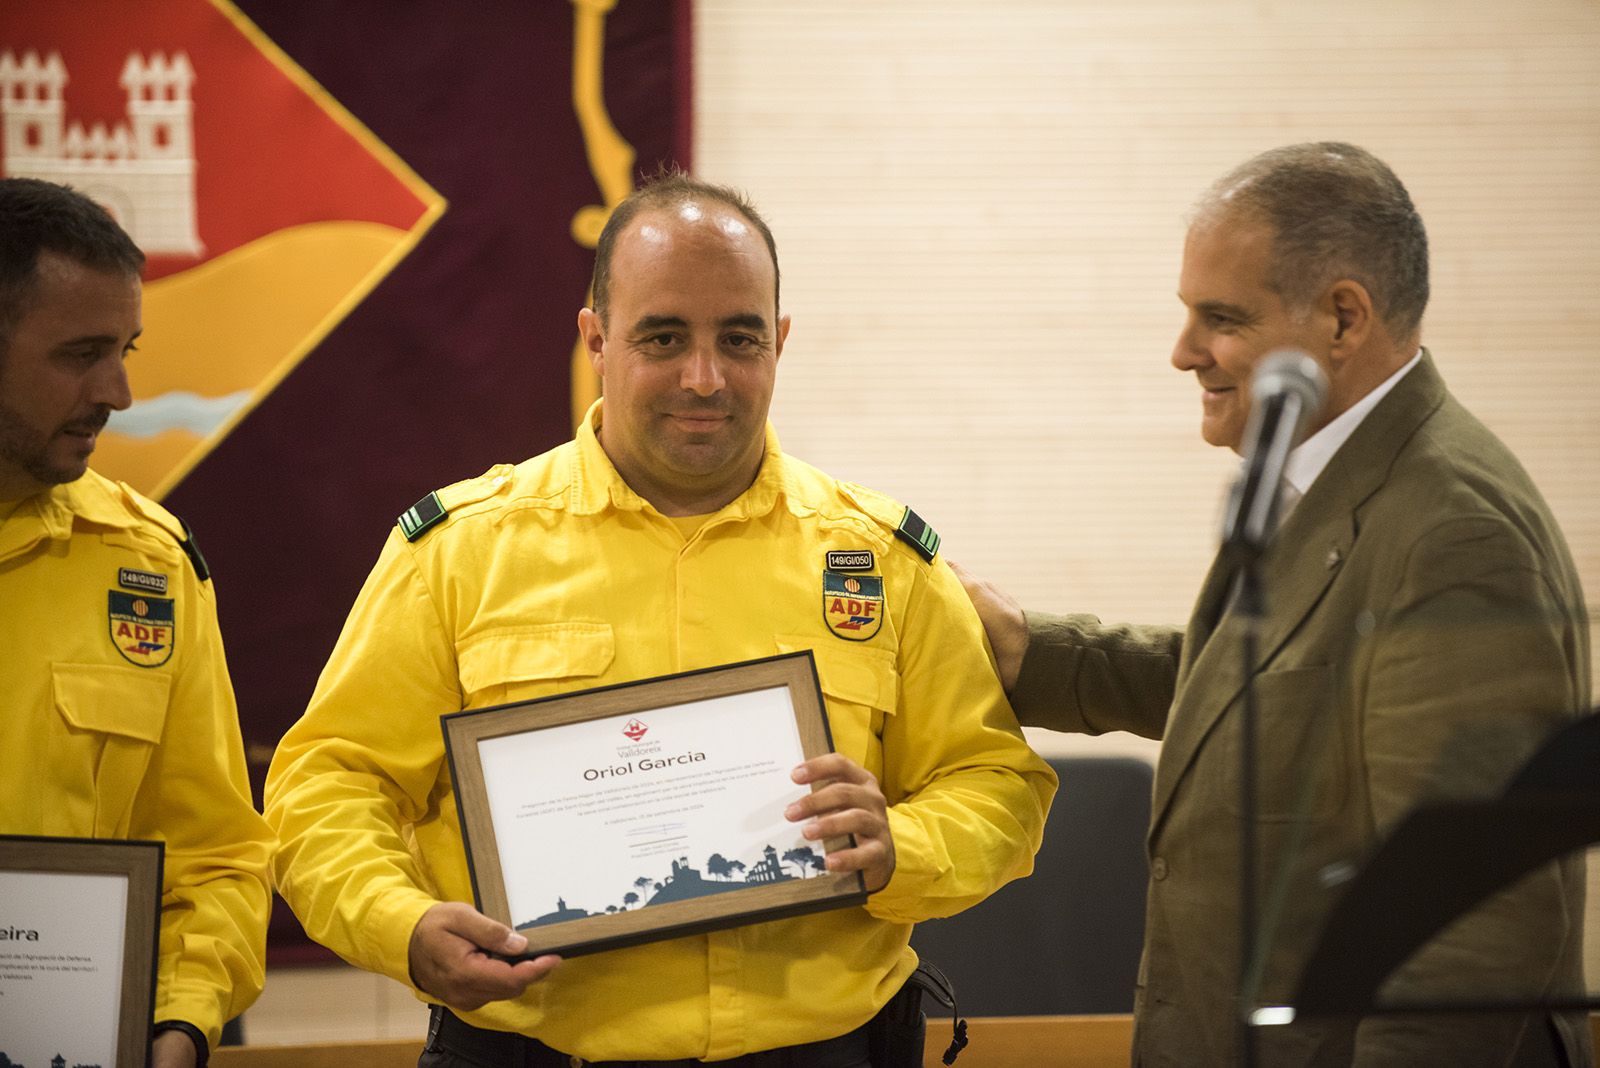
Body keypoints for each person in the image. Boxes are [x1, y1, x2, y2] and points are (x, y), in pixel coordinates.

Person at [264, 172, 1054, 1066]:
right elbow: (327, 785)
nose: (705, 377)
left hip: (825, 1048)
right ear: (596, 339)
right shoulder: (461, 551)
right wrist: (399, 925)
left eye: (740, 338)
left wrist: (896, 845)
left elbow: (997, 782)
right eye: (664, 337)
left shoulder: (880, 560)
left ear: (781, 343)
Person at [957, 143, 1591, 1066]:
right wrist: (1036, 655)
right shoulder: (1315, 480)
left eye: (1220, 319)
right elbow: (1271, 695)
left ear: (1342, 318)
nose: (1183, 354)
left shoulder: (1455, 533)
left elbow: (1471, 932)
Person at [0, 178, 274, 1067]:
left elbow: (217, 856)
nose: (118, 390)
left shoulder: (146, 568)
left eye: (125, 349)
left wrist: (185, 1022)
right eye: (81, 353)